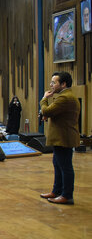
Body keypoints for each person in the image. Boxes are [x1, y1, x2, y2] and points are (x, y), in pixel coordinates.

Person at [39, 72, 80, 205]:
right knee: (58, 164)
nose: (51, 85)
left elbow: (46, 111)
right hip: (60, 138)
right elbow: (53, 113)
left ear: (63, 84)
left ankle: (67, 195)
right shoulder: (64, 97)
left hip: (64, 138)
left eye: (53, 82)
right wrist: (49, 113)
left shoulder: (65, 98)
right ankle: (57, 191)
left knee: (65, 167)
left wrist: (44, 98)